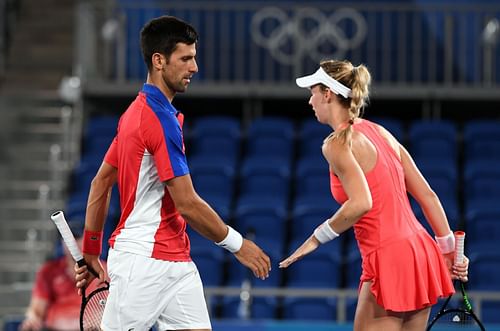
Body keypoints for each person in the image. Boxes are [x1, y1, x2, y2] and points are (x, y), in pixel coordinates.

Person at [74, 15, 271, 331]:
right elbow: (187, 203)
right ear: (159, 61)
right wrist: (238, 244)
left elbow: (101, 182)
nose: (194, 67)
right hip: (142, 263)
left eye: (194, 57)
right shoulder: (156, 120)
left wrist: (91, 251)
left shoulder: (134, 115)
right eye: (186, 58)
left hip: (177, 264)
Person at [279, 59, 469, 331]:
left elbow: (361, 203)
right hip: (421, 252)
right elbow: (428, 196)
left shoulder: (335, 145)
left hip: (388, 257)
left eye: (312, 92)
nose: (310, 101)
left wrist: (314, 240)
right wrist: (449, 250)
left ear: (327, 94)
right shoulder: (380, 131)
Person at [20, 222, 105, 331]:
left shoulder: (105, 270)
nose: (72, 243)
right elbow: (36, 310)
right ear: (62, 243)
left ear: (87, 239)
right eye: (67, 238)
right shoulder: (48, 271)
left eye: (77, 237)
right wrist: (32, 319)